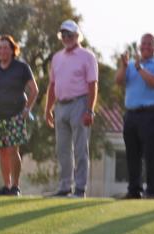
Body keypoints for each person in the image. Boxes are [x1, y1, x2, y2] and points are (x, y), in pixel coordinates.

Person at [44, 19, 98, 198]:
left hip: (80, 103)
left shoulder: (87, 56)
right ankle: (65, 186)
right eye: (63, 35)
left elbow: (92, 85)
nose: (66, 37)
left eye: (69, 34)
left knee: (80, 148)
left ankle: (80, 188)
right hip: (61, 105)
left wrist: (90, 110)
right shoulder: (57, 57)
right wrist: (48, 109)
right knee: (63, 149)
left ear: (77, 36)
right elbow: (52, 85)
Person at [0, 35, 39, 196]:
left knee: (13, 150)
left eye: (6, 47)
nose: (3, 50)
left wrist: (27, 109)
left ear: (13, 50)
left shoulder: (21, 68)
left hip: (16, 116)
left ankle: (15, 186)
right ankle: (6, 186)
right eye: (0, 48)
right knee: (2, 152)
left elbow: (34, 90)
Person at [115, 33, 154, 199]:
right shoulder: (131, 65)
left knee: (150, 153)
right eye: (143, 43)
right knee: (132, 153)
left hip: (150, 113)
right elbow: (118, 81)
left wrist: (139, 68)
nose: (145, 46)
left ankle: (152, 191)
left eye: (149, 44)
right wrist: (125, 66)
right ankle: (134, 190)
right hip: (131, 114)